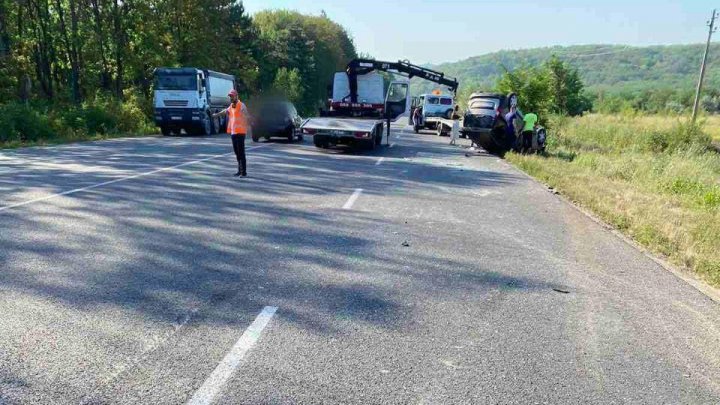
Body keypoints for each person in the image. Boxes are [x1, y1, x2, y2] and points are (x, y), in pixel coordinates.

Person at [213, 89, 250, 177]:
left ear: (236, 96)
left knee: (241, 152)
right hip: (233, 132)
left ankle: (243, 172)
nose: (231, 98)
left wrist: (246, 116)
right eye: (230, 96)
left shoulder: (241, 105)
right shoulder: (231, 106)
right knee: (237, 152)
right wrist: (216, 115)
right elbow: (225, 111)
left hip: (241, 132)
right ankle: (239, 170)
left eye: (232, 96)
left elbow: (247, 115)